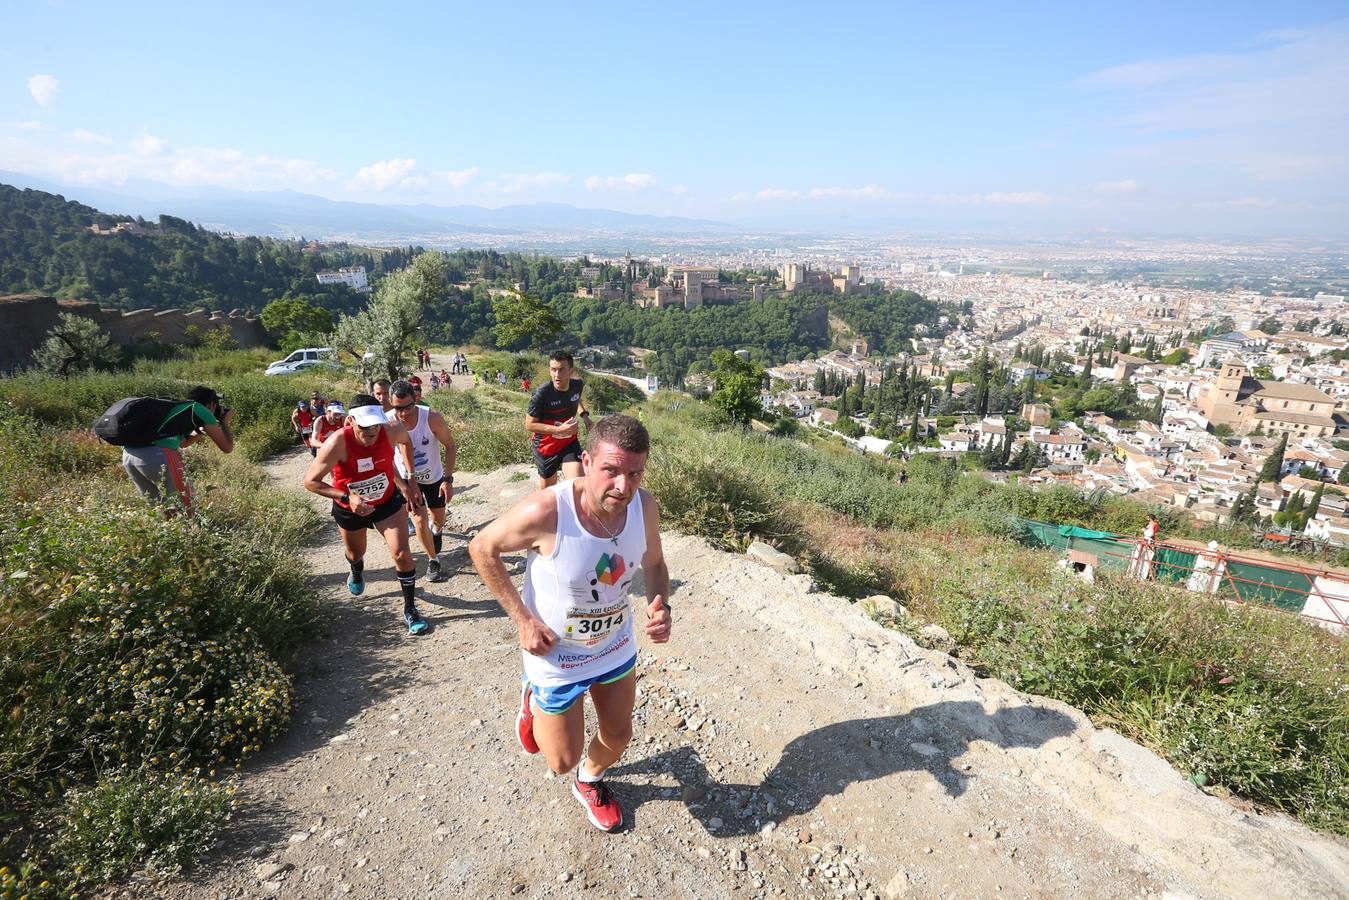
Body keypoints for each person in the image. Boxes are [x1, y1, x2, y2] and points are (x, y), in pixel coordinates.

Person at [469, 415, 671, 833]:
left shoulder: (644, 506)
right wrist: (523, 620)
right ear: (586, 461)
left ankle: (590, 780)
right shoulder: (549, 511)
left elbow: (655, 564)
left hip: (614, 645)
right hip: (556, 655)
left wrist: (659, 605)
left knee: (618, 734)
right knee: (559, 759)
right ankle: (533, 699)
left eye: (635, 473)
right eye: (611, 471)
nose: (623, 486)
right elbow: (482, 547)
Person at [304, 394, 431, 635]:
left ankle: (410, 609)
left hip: (386, 503)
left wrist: (410, 480)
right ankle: (356, 569)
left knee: (402, 553)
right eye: (365, 426)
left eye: (375, 424)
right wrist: (346, 497)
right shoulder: (337, 442)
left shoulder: (392, 429)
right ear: (351, 420)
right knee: (356, 552)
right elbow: (311, 482)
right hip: (350, 508)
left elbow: (406, 443)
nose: (372, 431)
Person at [121, 386, 234, 517]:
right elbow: (227, 448)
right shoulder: (201, 410)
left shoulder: (180, 410)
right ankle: (190, 534)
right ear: (212, 404)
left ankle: (169, 535)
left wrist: (203, 429)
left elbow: (183, 443)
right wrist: (225, 422)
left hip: (129, 457)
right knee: (186, 508)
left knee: (160, 509)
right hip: (158, 455)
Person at [388, 379, 457, 583]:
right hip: (407, 482)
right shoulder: (386, 423)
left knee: (438, 519)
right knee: (419, 519)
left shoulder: (431, 418)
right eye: (397, 408)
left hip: (433, 478)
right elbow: (384, 459)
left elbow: (450, 446)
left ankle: (437, 532)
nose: (403, 413)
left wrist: (448, 479)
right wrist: (403, 484)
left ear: (416, 399)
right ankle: (433, 560)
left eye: (408, 407)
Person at [526, 350, 592, 489]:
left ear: (571, 371)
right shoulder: (542, 394)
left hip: (569, 442)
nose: (557, 375)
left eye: (561, 370)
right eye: (553, 370)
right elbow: (529, 425)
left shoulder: (577, 385)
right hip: (546, 447)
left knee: (578, 484)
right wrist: (558, 429)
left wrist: (585, 416)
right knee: (548, 491)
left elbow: (575, 398)